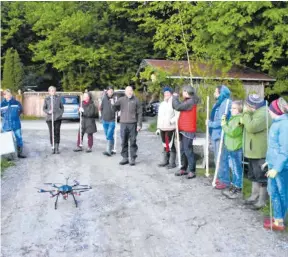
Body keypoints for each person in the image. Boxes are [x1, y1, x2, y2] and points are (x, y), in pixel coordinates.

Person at [241, 94, 271, 210]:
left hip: (260, 151)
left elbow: (251, 127)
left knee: (262, 176)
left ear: (252, 105)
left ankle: (262, 200)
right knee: (253, 175)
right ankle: (254, 195)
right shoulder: (256, 112)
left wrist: (246, 113)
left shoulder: (263, 113)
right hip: (253, 150)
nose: (246, 107)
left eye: (248, 105)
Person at [263, 98, 288, 231]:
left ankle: (280, 221)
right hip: (273, 164)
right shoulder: (276, 122)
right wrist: (269, 161)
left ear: (275, 111)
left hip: (282, 167)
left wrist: (277, 168)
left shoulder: (285, 125)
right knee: (273, 192)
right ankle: (277, 217)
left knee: (282, 193)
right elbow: (274, 146)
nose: (268, 111)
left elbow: (284, 150)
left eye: (270, 109)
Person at [172, 85, 199, 179]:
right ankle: (184, 168)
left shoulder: (190, 102)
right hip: (184, 129)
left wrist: (174, 97)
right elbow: (179, 106)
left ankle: (192, 171)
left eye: (183, 91)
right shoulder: (188, 101)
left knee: (188, 150)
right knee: (183, 150)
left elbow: (178, 107)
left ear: (186, 92)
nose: (182, 93)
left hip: (188, 130)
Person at [208, 85, 232, 189]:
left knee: (221, 158)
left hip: (221, 134)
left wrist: (210, 123)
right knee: (217, 157)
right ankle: (220, 177)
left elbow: (221, 121)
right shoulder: (218, 103)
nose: (214, 93)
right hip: (215, 134)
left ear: (220, 93)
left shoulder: (225, 104)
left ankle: (225, 181)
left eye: (215, 92)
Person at [112, 86, 142, 166]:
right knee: (124, 141)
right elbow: (115, 108)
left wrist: (139, 124)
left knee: (133, 141)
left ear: (132, 91)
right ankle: (125, 158)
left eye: (131, 90)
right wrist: (113, 104)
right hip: (123, 123)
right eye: (128, 91)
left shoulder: (136, 100)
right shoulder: (121, 100)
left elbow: (140, 113)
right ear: (125, 92)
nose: (129, 92)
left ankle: (132, 158)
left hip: (133, 124)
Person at [221, 101, 244, 198]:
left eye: (234, 108)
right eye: (231, 107)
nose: (231, 109)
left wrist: (223, 124)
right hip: (229, 146)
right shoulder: (232, 118)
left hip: (236, 148)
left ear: (239, 109)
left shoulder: (240, 119)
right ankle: (233, 185)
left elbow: (233, 132)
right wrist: (226, 121)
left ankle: (238, 188)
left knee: (237, 169)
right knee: (232, 168)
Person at [156, 86, 177, 169]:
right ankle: (165, 161)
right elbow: (159, 116)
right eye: (165, 93)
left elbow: (178, 115)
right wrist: (158, 128)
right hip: (162, 127)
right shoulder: (162, 104)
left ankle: (172, 163)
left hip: (170, 127)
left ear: (171, 94)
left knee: (171, 145)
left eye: (168, 93)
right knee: (165, 145)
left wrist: (171, 121)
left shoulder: (174, 103)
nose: (166, 94)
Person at [0, 89, 26, 158]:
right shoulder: (2, 104)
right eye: (6, 94)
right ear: (4, 96)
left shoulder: (17, 103)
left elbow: (21, 110)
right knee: (6, 140)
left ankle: (19, 153)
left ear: (11, 94)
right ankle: (8, 156)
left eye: (9, 94)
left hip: (16, 124)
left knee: (19, 138)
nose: (8, 95)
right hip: (6, 124)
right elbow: (1, 114)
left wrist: (15, 116)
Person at [43, 86, 64, 154]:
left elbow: (62, 107)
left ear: (55, 91)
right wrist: (48, 111)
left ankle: (57, 147)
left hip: (57, 118)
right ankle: (53, 147)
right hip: (49, 119)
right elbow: (44, 108)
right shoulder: (46, 99)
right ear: (49, 92)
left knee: (57, 132)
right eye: (51, 90)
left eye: (54, 90)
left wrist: (60, 114)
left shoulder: (58, 98)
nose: (52, 92)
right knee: (51, 133)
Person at [100, 87, 117, 156]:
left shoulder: (115, 99)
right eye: (109, 91)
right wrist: (102, 116)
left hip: (112, 120)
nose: (110, 92)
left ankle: (108, 150)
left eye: (112, 91)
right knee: (108, 135)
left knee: (109, 135)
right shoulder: (104, 99)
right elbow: (101, 108)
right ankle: (112, 149)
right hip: (105, 120)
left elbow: (117, 109)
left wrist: (113, 104)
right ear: (107, 92)